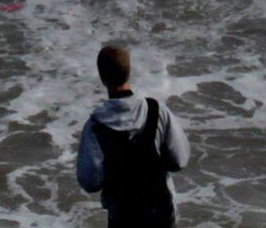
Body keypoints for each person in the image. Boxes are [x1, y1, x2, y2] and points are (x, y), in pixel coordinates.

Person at [77, 44, 190, 227]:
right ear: (129, 72)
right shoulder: (156, 111)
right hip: (161, 213)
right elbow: (179, 161)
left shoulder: (96, 126)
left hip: (123, 217)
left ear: (102, 78)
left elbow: (90, 181)